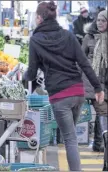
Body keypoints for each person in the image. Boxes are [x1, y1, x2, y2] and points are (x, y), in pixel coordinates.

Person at [25, 1, 104, 171]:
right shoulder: (68, 36)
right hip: (77, 92)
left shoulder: (36, 40)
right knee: (71, 136)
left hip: (60, 96)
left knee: (69, 138)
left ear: (39, 18)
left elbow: (31, 73)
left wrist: (26, 77)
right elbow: (84, 63)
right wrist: (98, 88)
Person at [82, 9, 107, 152]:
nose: (100, 23)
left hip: (105, 80)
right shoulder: (89, 37)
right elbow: (80, 58)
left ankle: (99, 143)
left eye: (103, 20)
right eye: (98, 20)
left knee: (102, 112)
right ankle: (100, 143)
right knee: (101, 110)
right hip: (92, 80)